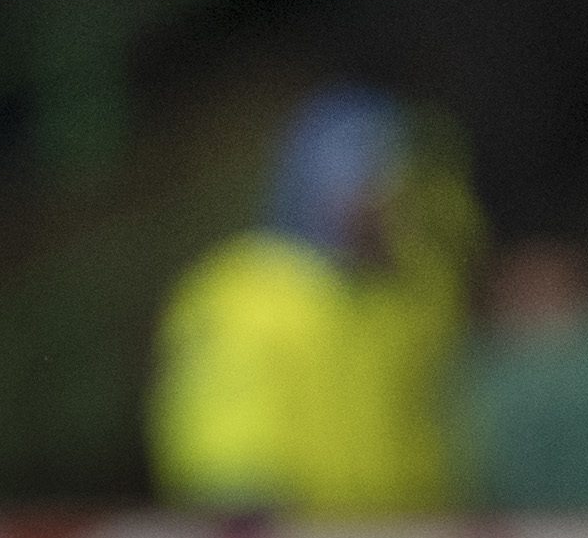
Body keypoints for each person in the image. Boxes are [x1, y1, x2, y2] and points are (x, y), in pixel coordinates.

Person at [147, 85, 482, 515]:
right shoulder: (245, 294)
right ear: (327, 190)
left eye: (405, 188)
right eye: (377, 188)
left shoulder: (415, 294)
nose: (399, 206)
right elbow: (225, 459)